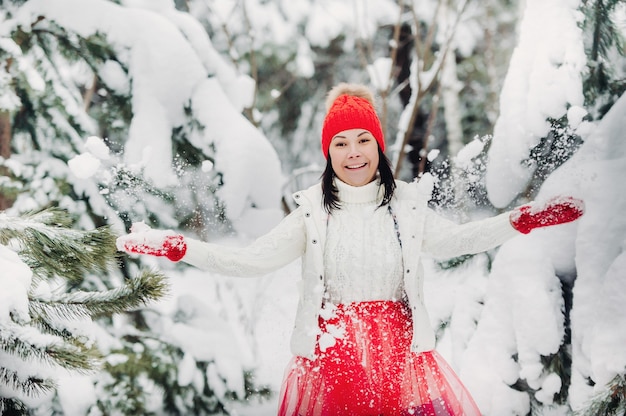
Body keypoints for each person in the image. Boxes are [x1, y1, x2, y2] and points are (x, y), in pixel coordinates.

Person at [116, 83, 585, 416]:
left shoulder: (407, 206)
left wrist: (522, 219)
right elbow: (248, 260)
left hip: (400, 354)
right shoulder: (310, 213)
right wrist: (181, 248)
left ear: (378, 146)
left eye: (363, 139)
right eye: (341, 142)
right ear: (329, 152)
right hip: (334, 354)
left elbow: (456, 241)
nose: (353, 151)